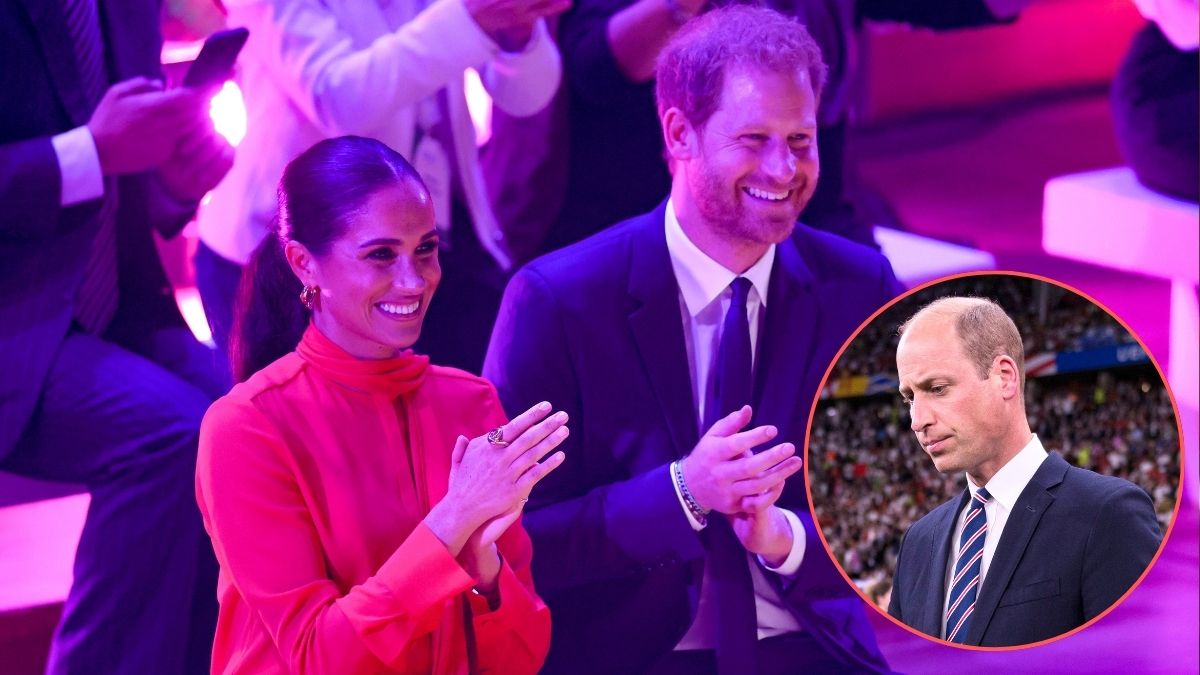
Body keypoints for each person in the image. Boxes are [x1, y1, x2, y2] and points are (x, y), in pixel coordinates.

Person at [484, 7, 903, 673]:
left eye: (801, 141)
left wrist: (785, 538)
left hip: (811, 646)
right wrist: (680, 492)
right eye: (754, 139)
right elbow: (510, 540)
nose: (783, 169)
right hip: (626, 656)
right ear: (680, 134)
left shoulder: (857, 286)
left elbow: (899, 515)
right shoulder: (557, 301)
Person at [197, 136, 562, 673]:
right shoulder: (245, 427)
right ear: (304, 263)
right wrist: (452, 522)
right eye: (381, 255)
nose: (413, 280)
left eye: (425, 249)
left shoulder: (471, 402)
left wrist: (485, 575)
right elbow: (319, 657)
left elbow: (521, 658)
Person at [0, 1, 233, 672]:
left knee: (250, 419)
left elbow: (131, 192)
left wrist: (173, 185)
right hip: (16, 319)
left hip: (115, 306)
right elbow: (93, 153)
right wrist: (90, 152)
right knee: (168, 434)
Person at [193, 0, 567, 374]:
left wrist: (515, 33)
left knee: (478, 407)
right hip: (295, 257)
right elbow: (337, 98)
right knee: (325, 427)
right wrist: (470, 18)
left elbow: (527, 96)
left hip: (433, 236)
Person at [888, 296, 1164, 646]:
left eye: (937, 389)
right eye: (909, 397)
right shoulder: (918, 541)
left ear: (1004, 377)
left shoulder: (1107, 513)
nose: (917, 420)